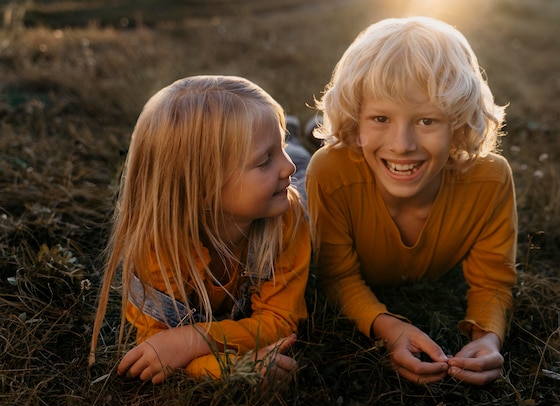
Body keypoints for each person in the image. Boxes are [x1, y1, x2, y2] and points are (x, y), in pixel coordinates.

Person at [306, 16, 517, 386]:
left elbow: (493, 281)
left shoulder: (491, 180)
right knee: (292, 156)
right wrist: (388, 328)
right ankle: (297, 130)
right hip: (312, 172)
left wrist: (488, 336)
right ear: (355, 122)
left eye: (426, 121)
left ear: (458, 124)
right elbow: (335, 275)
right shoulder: (330, 173)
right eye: (381, 118)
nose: (402, 144)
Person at [89, 75, 311, 385]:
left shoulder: (288, 215)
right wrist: (229, 367)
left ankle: (294, 136)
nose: (282, 166)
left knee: (302, 168)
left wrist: (191, 341)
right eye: (265, 160)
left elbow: (279, 321)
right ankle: (292, 134)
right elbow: (155, 350)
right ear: (203, 187)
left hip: (295, 191)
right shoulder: (158, 247)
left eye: (279, 148)